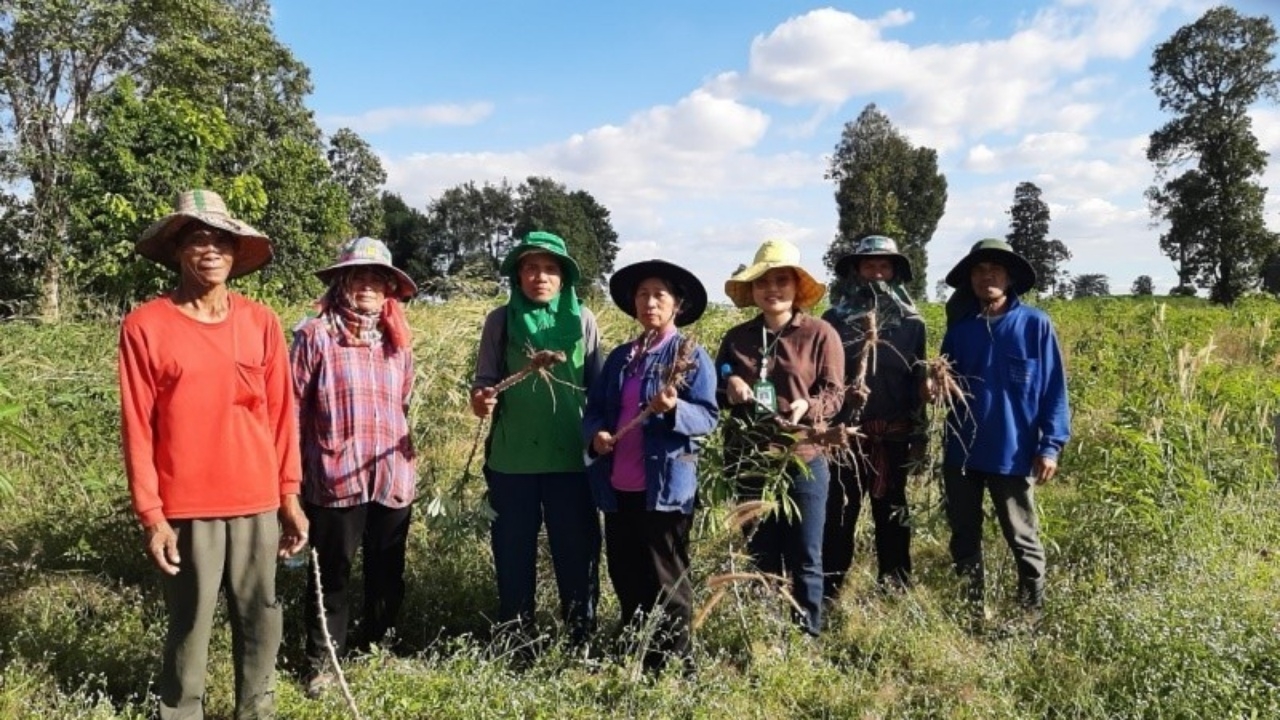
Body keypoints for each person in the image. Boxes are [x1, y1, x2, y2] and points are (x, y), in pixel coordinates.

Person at [118, 189, 308, 719]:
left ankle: (257, 711)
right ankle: (181, 712)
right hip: (187, 506)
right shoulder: (145, 327)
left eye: (221, 240)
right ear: (178, 250)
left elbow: (281, 417)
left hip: (257, 499)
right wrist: (152, 517)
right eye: (197, 239)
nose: (210, 250)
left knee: (262, 619)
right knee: (190, 624)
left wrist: (289, 496)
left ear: (234, 253)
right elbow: (137, 427)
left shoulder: (261, 322)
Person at [290, 237, 417, 697]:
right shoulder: (314, 335)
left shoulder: (396, 342)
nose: (366, 285)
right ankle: (322, 661)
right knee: (333, 572)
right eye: (357, 276)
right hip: (334, 475)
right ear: (342, 282)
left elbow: (402, 400)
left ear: (388, 290)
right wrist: (291, 477)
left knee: (387, 568)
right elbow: (292, 407)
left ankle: (377, 647)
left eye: (376, 279)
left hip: (391, 475)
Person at [469, 231, 604, 648]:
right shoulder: (500, 319)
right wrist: (481, 399)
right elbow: (484, 380)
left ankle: (581, 636)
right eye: (531, 267)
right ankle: (515, 636)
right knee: (512, 550)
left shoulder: (582, 320)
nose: (540, 276)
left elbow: (597, 388)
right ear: (518, 275)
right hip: (513, 461)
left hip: (571, 460)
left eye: (549, 269)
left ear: (563, 278)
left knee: (577, 550)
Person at [583, 260, 718, 672]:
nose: (649, 302)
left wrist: (676, 409)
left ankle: (676, 664)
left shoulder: (690, 355)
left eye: (659, 294)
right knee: (626, 575)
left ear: (677, 304)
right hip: (620, 485)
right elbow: (597, 411)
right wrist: (597, 435)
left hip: (665, 490)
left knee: (667, 581)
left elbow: (709, 417)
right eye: (642, 295)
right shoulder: (624, 356)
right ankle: (635, 654)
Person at [715, 239, 845, 636]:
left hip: (803, 458)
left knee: (806, 552)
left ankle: (807, 635)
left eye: (782, 280)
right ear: (753, 290)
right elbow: (716, 388)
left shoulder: (820, 334)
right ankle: (767, 631)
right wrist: (731, 384)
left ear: (796, 287)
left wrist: (809, 407)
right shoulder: (737, 338)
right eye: (763, 282)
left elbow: (835, 392)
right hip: (751, 461)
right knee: (761, 552)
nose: (772, 289)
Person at [939, 238, 1071, 623]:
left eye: (995, 269)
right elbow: (947, 389)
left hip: (1013, 450)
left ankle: (1031, 610)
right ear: (970, 279)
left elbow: (1053, 389)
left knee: (1021, 534)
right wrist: (934, 386)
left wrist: (1050, 446)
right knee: (964, 532)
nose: (987, 276)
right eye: (979, 270)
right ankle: (971, 606)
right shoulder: (961, 330)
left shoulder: (1035, 324)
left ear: (1010, 277)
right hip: (962, 450)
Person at [821, 235, 927, 599]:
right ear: (856, 271)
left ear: (895, 272)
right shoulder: (834, 320)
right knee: (838, 515)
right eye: (869, 266)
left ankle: (895, 588)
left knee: (893, 516)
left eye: (884, 266)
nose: (877, 274)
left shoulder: (912, 323)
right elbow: (824, 380)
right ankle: (830, 589)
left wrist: (919, 436)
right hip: (845, 437)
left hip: (893, 435)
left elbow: (918, 384)